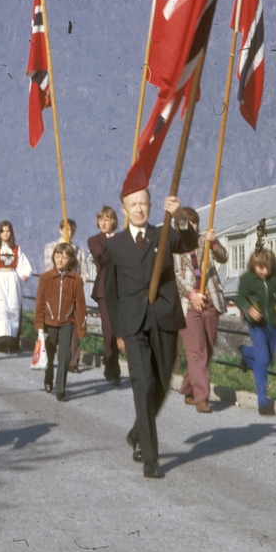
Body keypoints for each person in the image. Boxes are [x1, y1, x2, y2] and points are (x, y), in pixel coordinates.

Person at [100, 189, 198, 479]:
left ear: (151, 206)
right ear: (125, 208)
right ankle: (150, 458)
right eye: (134, 205)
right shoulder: (115, 245)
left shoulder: (163, 233)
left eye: (144, 204)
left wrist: (178, 214)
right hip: (133, 323)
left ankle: (136, 432)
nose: (139, 209)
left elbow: (191, 241)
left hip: (164, 317)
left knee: (161, 384)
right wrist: (118, 331)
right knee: (142, 384)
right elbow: (111, 290)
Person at [173, 207, 228, 413]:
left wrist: (214, 243)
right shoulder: (173, 247)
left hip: (210, 300)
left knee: (208, 347)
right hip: (188, 305)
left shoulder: (204, 242)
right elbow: (174, 278)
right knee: (197, 350)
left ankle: (188, 388)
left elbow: (223, 257)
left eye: (195, 223)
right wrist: (191, 295)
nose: (192, 226)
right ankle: (202, 398)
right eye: (187, 223)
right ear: (178, 226)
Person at [235, 247, 276, 416]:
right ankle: (262, 399)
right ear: (253, 266)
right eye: (260, 268)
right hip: (255, 324)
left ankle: (245, 353)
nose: (264, 271)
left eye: (268, 267)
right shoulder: (247, 279)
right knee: (262, 359)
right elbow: (240, 298)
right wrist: (248, 309)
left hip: (273, 322)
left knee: (269, 358)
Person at [34, 242, 87, 401]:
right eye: (58, 256)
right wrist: (39, 325)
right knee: (49, 356)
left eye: (65, 257)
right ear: (53, 257)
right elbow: (39, 303)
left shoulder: (76, 280)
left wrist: (81, 328)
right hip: (49, 323)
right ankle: (48, 377)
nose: (60, 260)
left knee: (65, 356)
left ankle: (61, 390)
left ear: (70, 259)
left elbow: (80, 305)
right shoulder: (45, 277)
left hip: (66, 323)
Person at [0, 220, 32, 353]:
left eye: (8, 231)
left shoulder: (16, 248)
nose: (6, 233)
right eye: (3, 231)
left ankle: (10, 342)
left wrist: (24, 274)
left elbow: (22, 265)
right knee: (0, 308)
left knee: (11, 309)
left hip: (12, 281)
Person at [86, 205, 121, 386]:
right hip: (104, 289)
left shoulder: (124, 238)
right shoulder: (94, 240)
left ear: (113, 221)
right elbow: (102, 256)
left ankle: (114, 363)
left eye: (107, 219)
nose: (103, 222)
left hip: (123, 289)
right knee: (109, 330)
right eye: (101, 219)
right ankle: (113, 369)